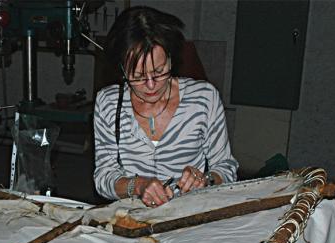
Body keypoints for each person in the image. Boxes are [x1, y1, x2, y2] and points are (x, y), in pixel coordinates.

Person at [93, 6, 238, 207]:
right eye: (137, 76)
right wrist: (138, 186)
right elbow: (103, 177)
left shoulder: (204, 99)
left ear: (170, 58)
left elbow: (226, 168)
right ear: (121, 68)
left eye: (160, 71)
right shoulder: (108, 103)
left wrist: (206, 180)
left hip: (189, 216)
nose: (151, 85)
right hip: (132, 219)